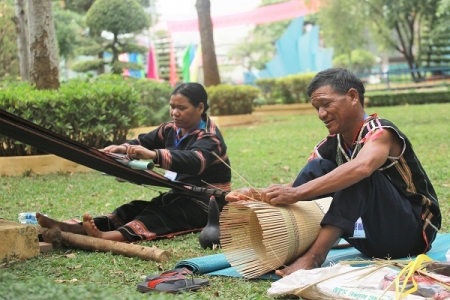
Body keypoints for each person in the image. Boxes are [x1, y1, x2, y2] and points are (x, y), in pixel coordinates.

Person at [226, 68, 441, 277]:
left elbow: (361, 168)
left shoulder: (381, 132)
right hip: (367, 240)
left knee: (357, 176)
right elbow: (298, 186)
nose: (321, 114)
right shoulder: (331, 145)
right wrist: (254, 194)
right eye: (316, 108)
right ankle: (292, 242)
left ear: (353, 96)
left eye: (326, 104)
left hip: (411, 235)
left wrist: (297, 193)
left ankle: (314, 257)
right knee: (316, 169)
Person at [37, 82, 231, 242]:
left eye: (182, 108)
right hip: (180, 194)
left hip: (207, 203)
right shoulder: (170, 129)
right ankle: (71, 228)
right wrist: (122, 148)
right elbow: (143, 141)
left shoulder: (210, 137)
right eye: (172, 107)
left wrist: (154, 155)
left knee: (161, 215)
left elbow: (195, 161)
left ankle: (105, 236)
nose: (174, 113)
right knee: (134, 208)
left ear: (200, 107)